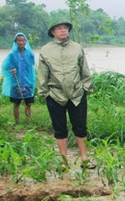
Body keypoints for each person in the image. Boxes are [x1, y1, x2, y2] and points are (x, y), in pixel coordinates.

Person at [37, 20, 94, 169]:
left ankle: (84, 158)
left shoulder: (77, 48)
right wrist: (45, 93)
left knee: (81, 127)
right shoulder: (45, 50)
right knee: (59, 129)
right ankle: (63, 161)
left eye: (65, 28)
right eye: (59, 28)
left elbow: (84, 70)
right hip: (55, 94)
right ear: (53, 32)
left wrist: (85, 88)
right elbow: (43, 73)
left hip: (76, 93)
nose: (63, 31)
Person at [1, 32, 36, 124]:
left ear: (26, 41)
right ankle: (17, 122)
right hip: (16, 83)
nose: (21, 42)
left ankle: (29, 121)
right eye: (19, 40)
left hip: (28, 82)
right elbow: (6, 67)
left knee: (28, 104)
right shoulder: (12, 54)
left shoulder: (30, 54)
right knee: (16, 103)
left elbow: (31, 67)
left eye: (23, 40)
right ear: (16, 42)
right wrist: (11, 70)